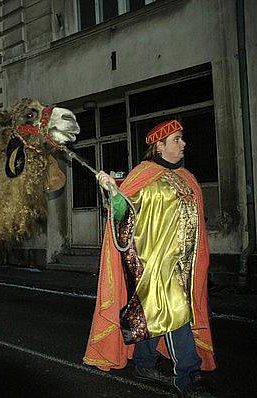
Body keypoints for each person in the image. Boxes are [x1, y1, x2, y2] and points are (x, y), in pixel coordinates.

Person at [83, 120, 215, 397]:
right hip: (154, 264)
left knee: (151, 314)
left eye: (182, 138)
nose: (183, 144)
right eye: (177, 139)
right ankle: (188, 376)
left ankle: (143, 362)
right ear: (160, 145)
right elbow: (123, 212)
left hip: (185, 265)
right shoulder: (143, 175)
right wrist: (113, 192)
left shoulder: (186, 177)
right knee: (174, 315)